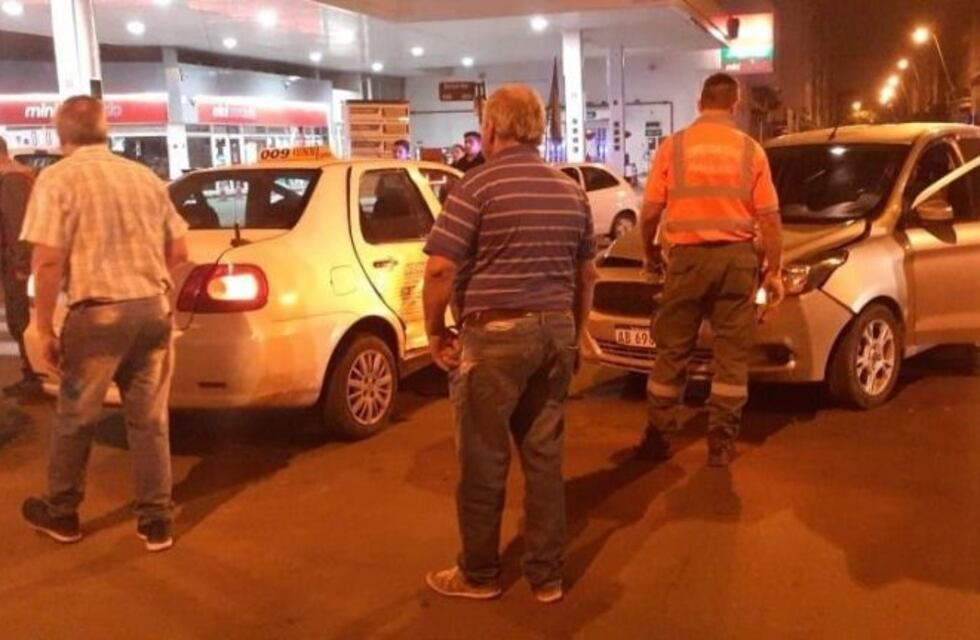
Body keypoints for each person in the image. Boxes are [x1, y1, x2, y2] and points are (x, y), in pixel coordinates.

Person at [422, 84, 597, 604]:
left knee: (483, 458)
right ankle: (546, 576)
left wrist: (434, 330)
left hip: (494, 334)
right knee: (544, 456)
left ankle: (478, 574)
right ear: (538, 130)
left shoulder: (475, 188)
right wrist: (575, 332)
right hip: (554, 333)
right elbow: (587, 274)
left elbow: (439, 268)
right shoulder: (571, 191)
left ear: (492, 129)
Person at [19, 96, 189, 552]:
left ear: (61, 135)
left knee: (76, 416)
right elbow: (180, 252)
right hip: (151, 311)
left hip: (97, 317)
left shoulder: (57, 179)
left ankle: (63, 514)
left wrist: (43, 328)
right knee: (150, 421)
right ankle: (156, 522)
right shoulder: (144, 177)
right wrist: (158, 293)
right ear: (106, 130)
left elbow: (49, 259)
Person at [637, 73, 784, 467]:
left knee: (672, 353)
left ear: (699, 103)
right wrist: (774, 271)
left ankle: (659, 436)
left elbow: (650, 212)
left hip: (685, 262)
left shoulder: (674, 147)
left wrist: (651, 254)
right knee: (731, 359)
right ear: (735, 106)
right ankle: (720, 444)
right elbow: (769, 219)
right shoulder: (751, 150)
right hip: (738, 261)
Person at [0, 137, 44, 402]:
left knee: (21, 320)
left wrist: (20, 264)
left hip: (19, 264)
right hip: (17, 260)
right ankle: (31, 374)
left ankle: (35, 377)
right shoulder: (14, 178)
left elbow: (18, 227)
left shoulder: (12, 180)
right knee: (19, 320)